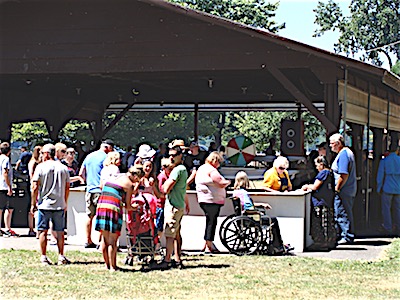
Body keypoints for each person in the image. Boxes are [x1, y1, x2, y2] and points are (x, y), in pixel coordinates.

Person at [95, 165, 145, 272]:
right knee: (113, 240)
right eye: (139, 179)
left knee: (105, 238)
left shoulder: (117, 176)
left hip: (101, 206)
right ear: (136, 176)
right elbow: (128, 205)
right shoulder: (129, 184)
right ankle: (113, 267)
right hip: (113, 207)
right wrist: (135, 207)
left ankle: (107, 265)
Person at [30, 143, 70, 265]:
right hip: (59, 203)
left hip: (44, 204)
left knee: (42, 230)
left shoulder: (40, 167)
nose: (41, 155)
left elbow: (35, 186)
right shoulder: (63, 168)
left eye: (42, 153)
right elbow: (67, 187)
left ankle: (43, 256)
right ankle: (61, 256)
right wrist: (65, 201)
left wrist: (33, 203)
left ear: (47, 154)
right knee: (60, 231)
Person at [233, 171, 291, 254]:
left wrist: (262, 204)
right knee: (273, 220)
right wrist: (258, 211)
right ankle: (278, 245)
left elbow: (247, 205)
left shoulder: (236, 192)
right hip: (250, 217)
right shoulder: (243, 193)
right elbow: (249, 207)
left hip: (244, 216)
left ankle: (277, 245)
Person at [79, 139, 114, 248]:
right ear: (108, 148)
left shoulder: (89, 156)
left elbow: (81, 173)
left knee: (89, 216)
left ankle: (88, 240)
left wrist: (87, 182)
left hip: (89, 190)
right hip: (101, 191)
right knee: (102, 217)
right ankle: (100, 242)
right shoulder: (106, 158)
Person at [159, 145, 190, 269]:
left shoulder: (178, 170)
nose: (171, 157)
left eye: (174, 155)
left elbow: (165, 189)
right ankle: (177, 258)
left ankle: (167, 260)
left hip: (173, 206)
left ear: (180, 156)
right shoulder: (182, 169)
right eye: (170, 155)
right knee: (176, 233)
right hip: (179, 204)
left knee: (169, 233)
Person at [195, 151, 231, 253]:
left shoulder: (201, 168)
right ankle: (209, 245)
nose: (219, 164)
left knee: (209, 221)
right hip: (212, 200)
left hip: (203, 199)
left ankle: (206, 243)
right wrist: (229, 182)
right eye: (218, 162)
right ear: (215, 160)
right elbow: (220, 183)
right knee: (212, 222)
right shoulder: (211, 170)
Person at [301, 156, 337, 250]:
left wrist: (306, 186)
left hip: (320, 202)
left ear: (321, 164)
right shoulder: (330, 173)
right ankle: (329, 241)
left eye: (317, 165)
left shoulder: (323, 173)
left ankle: (323, 242)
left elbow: (315, 186)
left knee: (321, 222)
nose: (316, 167)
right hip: (327, 201)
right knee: (328, 222)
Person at [329, 133, 357, 245]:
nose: (330, 146)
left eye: (332, 144)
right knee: (346, 212)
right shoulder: (348, 152)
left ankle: (346, 236)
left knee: (342, 213)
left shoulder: (343, 154)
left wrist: (337, 188)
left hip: (344, 190)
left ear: (338, 143)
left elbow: (343, 174)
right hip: (349, 189)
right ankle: (346, 235)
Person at [376, 141, 400, 236]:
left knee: (386, 208)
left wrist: (379, 188)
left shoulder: (384, 161)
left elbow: (380, 176)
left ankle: (388, 227)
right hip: (398, 188)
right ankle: (398, 226)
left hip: (387, 187)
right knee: (398, 208)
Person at [0, 142, 19, 237]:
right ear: (9, 151)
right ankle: (7, 228)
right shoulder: (6, 159)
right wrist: (9, 187)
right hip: (4, 186)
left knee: (0, 208)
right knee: (8, 208)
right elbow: (5, 172)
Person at [28, 145, 43, 237]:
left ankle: (35, 228)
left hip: (39, 186)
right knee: (33, 207)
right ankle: (31, 228)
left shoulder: (40, 163)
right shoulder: (33, 163)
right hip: (34, 185)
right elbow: (31, 175)